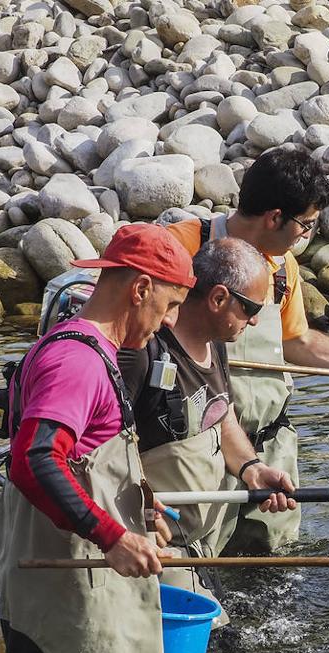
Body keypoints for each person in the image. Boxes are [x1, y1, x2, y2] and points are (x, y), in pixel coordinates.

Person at [0, 223, 193, 653]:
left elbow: (86, 460)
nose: (171, 320)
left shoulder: (94, 352)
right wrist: (111, 535)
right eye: (171, 304)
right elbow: (35, 459)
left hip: (70, 590)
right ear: (140, 288)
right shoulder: (77, 361)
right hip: (63, 601)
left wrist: (143, 510)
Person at [164, 147, 329, 554]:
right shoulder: (180, 248)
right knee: (197, 561)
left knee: (274, 563)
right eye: (306, 225)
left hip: (273, 446)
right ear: (275, 217)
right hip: (202, 448)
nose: (307, 236)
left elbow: (298, 342)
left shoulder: (282, 268)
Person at [118, 237, 297, 614]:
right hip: (154, 550)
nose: (254, 321)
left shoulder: (216, 342)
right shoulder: (140, 355)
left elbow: (223, 413)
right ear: (218, 299)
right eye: (250, 309)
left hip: (203, 542)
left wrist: (253, 468)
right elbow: (103, 451)